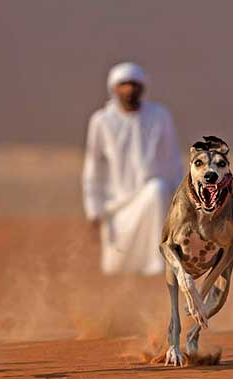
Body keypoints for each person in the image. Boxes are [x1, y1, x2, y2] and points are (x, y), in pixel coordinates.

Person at [82, 62, 183, 275]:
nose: (129, 89)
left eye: (134, 84)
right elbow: (93, 167)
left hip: (151, 199)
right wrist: (93, 209)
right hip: (116, 204)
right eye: (124, 84)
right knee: (114, 268)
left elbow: (173, 159)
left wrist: (183, 203)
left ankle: (158, 268)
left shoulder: (160, 116)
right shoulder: (101, 121)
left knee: (157, 189)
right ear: (114, 88)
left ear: (142, 87)